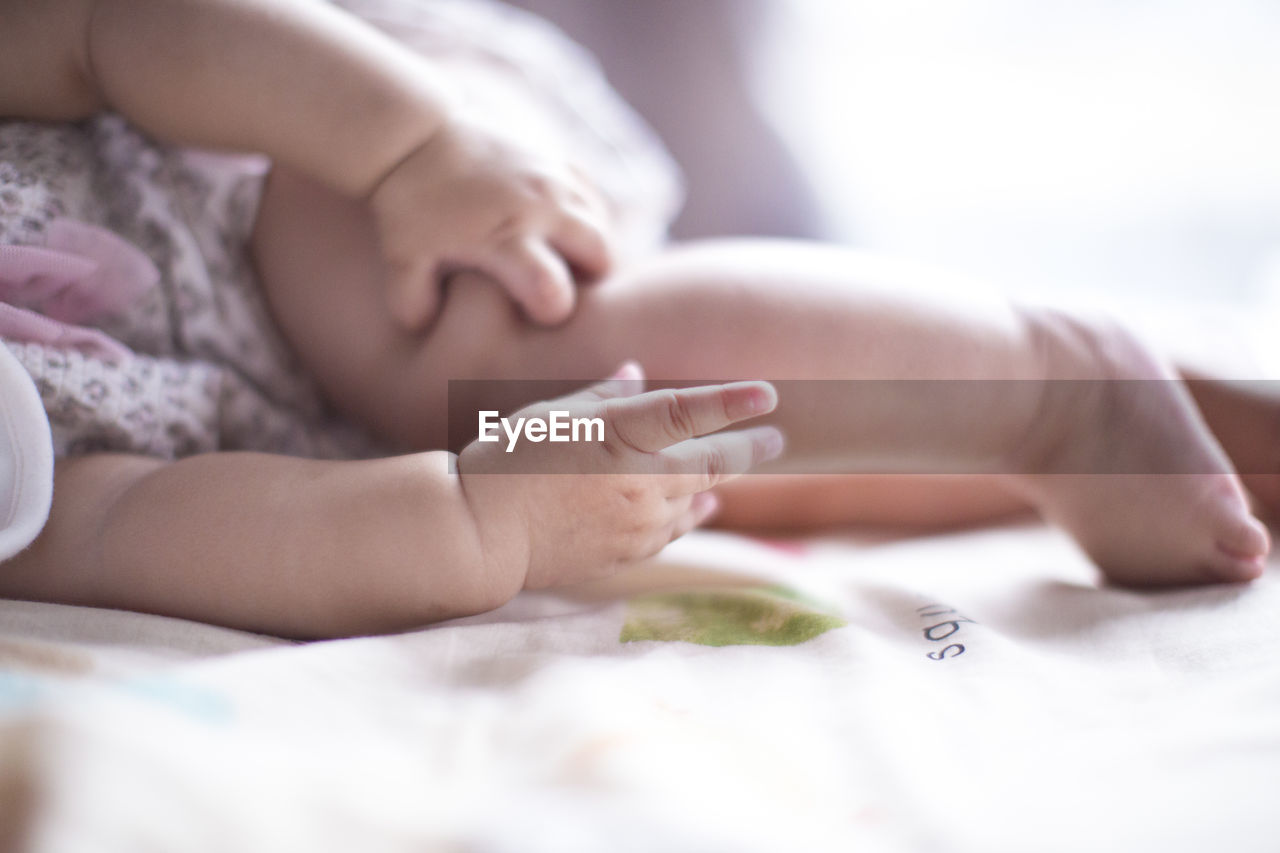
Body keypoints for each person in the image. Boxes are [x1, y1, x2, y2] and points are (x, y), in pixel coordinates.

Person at [0, 0, 1272, 640]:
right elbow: (124, 527)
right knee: (647, 450)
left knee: (470, 374)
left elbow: (118, 26)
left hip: (338, 169)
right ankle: (1043, 420)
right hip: (334, 442)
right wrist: (473, 514)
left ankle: (1055, 386)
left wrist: (412, 151)